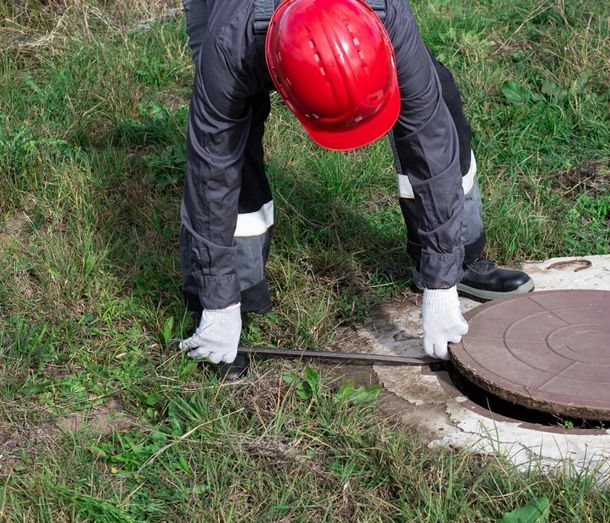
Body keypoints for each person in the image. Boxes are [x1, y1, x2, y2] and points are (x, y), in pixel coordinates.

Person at [177, 0, 533, 377]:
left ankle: (458, 260)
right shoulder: (228, 44)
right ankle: (221, 305)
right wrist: (220, 303)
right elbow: (211, 173)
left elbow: (429, 139)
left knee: (436, 95)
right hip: (234, 17)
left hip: (350, 22)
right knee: (234, 139)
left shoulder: (385, 12)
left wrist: (441, 281)